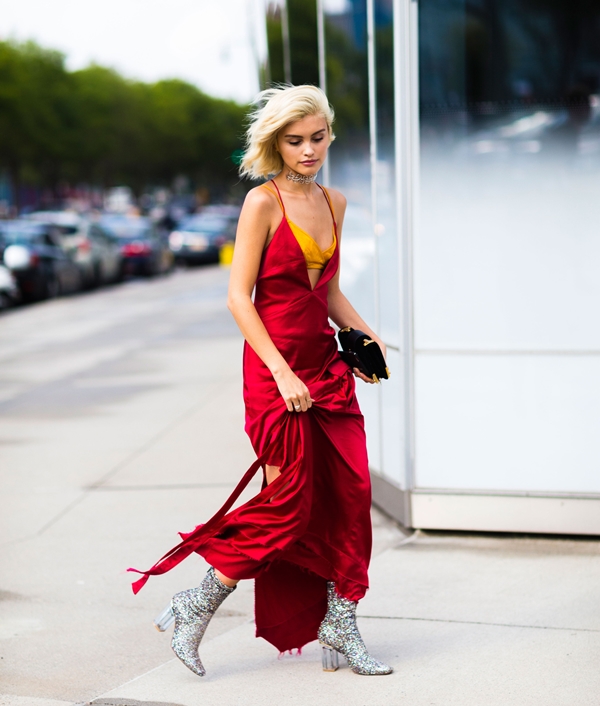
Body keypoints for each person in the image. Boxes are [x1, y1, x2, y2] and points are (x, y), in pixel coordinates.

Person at [129, 84, 392, 678]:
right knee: (288, 504)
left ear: (329, 133)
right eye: (294, 141)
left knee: (350, 497)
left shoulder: (336, 201)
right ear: (275, 142)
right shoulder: (262, 203)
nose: (307, 151)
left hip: (327, 369)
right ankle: (195, 604)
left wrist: (368, 336)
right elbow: (237, 298)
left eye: (317, 138)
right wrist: (280, 372)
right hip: (275, 372)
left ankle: (341, 619)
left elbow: (325, 292)